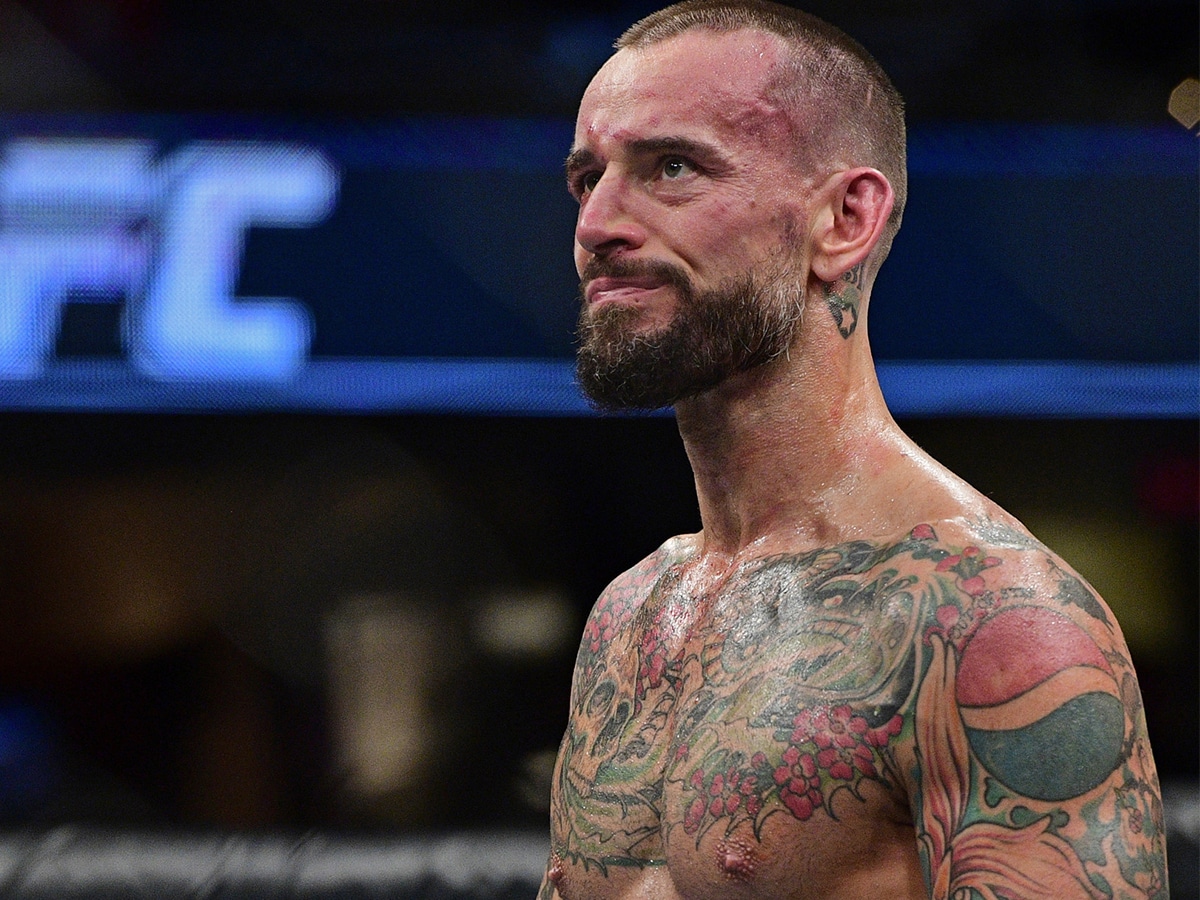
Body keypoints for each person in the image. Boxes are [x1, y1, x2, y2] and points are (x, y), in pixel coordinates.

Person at [539, 1, 1168, 898]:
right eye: (586, 179)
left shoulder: (995, 625)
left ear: (844, 219)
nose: (597, 224)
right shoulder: (631, 616)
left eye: (671, 168)